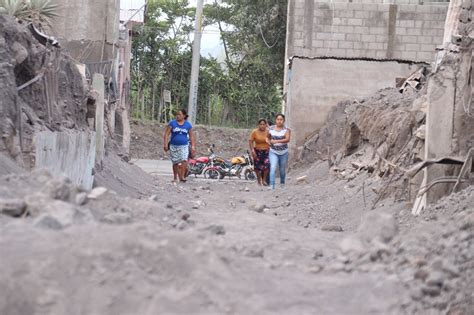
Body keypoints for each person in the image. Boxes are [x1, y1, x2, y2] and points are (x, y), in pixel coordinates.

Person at [163, 109, 196, 182]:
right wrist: (165, 144)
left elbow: (191, 137)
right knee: (175, 162)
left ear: (184, 116)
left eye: (179, 114)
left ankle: (182, 177)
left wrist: (193, 147)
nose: (177, 116)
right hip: (173, 146)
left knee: (184, 160)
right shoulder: (172, 123)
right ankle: (175, 177)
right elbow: (166, 134)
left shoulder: (188, 125)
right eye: (177, 114)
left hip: (184, 146)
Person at [267, 113, 291, 189]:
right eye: (278, 119)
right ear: (275, 120)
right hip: (273, 152)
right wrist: (268, 141)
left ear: (283, 121)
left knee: (282, 169)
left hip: (284, 152)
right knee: (273, 167)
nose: (279, 121)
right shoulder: (270, 129)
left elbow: (287, 139)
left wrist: (276, 141)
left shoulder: (287, 129)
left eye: (281, 120)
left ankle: (282, 184)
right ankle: (272, 185)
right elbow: (267, 137)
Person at [248, 118, 270, 186]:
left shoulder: (268, 132)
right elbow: (250, 141)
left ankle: (264, 180)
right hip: (257, 151)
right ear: (258, 125)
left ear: (266, 125)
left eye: (264, 124)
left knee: (267, 165)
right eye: (261, 124)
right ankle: (259, 181)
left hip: (266, 151)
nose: (262, 126)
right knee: (257, 167)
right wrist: (252, 150)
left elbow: (271, 140)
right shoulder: (254, 132)